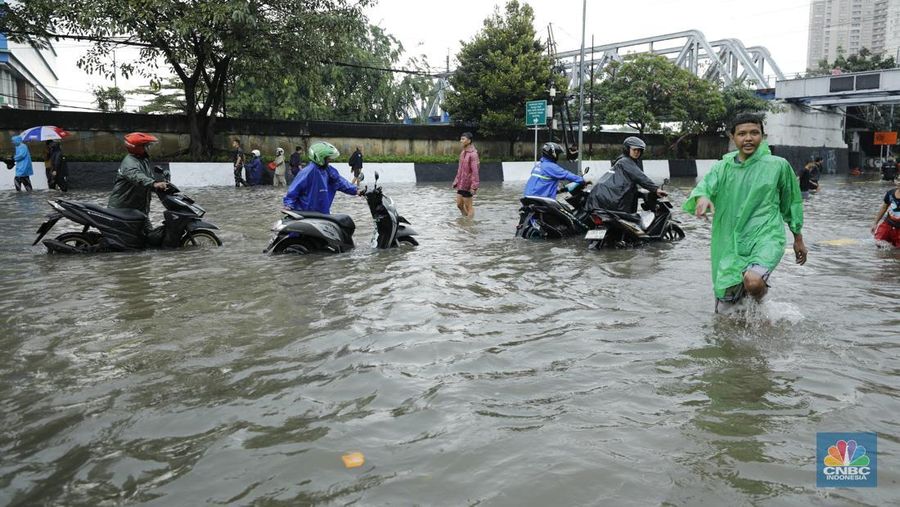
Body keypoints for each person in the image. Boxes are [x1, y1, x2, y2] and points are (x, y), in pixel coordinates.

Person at [682, 113, 807, 313]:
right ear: (733, 137)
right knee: (725, 314)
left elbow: (791, 203)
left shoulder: (778, 166)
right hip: (730, 240)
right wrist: (703, 198)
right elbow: (704, 187)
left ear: (763, 136)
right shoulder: (722, 168)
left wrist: (798, 238)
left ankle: (761, 303)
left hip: (766, 235)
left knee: (753, 281)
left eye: (754, 133)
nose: (748, 138)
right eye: (742, 134)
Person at [108, 132, 169, 244]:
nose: (148, 148)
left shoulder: (142, 160)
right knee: (132, 242)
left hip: (139, 209)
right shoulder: (130, 163)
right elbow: (137, 177)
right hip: (125, 209)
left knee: (148, 239)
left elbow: (147, 178)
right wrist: (154, 183)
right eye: (145, 146)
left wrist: (159, 184)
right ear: (136, 148)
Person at [586, 136, 666, 213]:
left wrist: (641, 193)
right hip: (612, 200)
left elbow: (626, 184)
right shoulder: (625, 161)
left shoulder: (621, 161)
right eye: (634, 150)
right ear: (627, 149)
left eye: (639, 150)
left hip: (605, 197)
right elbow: (640, 177)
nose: (637, 152)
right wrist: (656, 189)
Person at [283, 141, 361, 214]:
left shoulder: (329, 170)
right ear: (320, 157)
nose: (330, 160)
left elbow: (340, 182)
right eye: (328, 158)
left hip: (323, 214)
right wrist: (288, 205)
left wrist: (356, 191)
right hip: (306, 214)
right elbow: (293, 191)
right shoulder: (307, 172)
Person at [452, 132, 480, 218]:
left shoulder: (473, 154)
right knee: (459, 205)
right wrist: (456, 180)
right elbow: (460, 169)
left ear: (469, 141)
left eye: (463, 139)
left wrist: (474, 186)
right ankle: (465, 219)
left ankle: (469, 224)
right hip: (461, 183)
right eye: (461, 139)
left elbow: (475, 171)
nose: (461, 141)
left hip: (468, 184)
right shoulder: (463, 153)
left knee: (469, 206)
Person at [871, 175, 900, 248]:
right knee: (879, 243)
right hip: (888, 224)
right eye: (898, 180)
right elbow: (884, 208)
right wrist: (875, 223)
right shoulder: (890, 193)